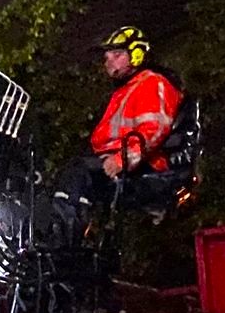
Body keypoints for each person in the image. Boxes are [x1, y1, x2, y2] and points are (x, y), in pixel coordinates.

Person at [49, 25, 184, 241]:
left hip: (142, 166)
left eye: (117, 54)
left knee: (78, 173)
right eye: (107, 56)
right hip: (118, 163)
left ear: (137, 54)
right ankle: (65, 237)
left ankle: (63, 240)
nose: (108, 61)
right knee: (69, 175)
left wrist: (122, 160)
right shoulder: (124, 91)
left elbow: (153, 130)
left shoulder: (151, 83)